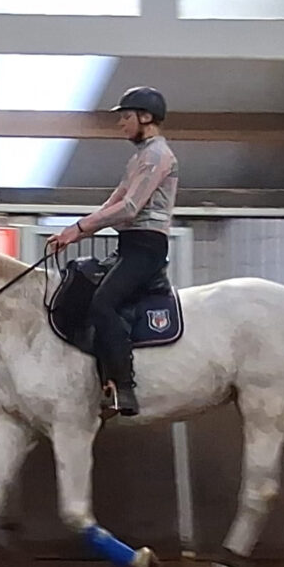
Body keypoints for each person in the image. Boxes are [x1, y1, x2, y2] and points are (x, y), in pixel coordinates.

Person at [47, 86, 179, 417]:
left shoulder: (157, 156)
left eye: (126, 117)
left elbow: (130, 207)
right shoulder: (139, 157)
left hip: (146, 248)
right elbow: (113, 202)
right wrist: (72, 233)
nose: (121, 123)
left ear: (145, 117)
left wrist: (79, 228)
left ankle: (124, 387)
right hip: (129, 245)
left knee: (103, 303)